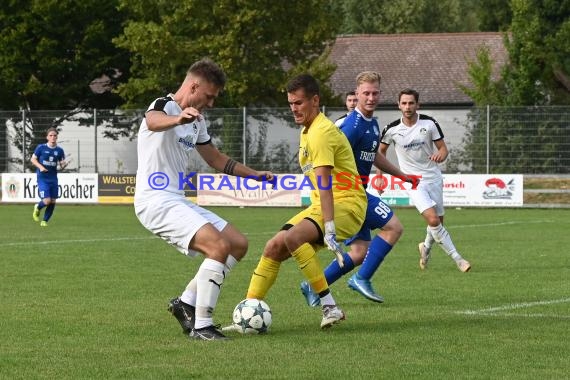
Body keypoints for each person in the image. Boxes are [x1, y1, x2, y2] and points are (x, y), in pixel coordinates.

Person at [134, 58, 274, 341]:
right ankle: (202, 326)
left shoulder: (197, 121)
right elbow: (152, 121)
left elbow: (215, 159)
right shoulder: (163, 105)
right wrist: (178, 118)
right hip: (154, 200)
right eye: (208, 96)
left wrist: (254, 174)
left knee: (237, 243)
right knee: (218, 246)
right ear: (194, 85)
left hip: (175, 199)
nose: (210, 103)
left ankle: (185, 303)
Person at [245, 74, 366, 329]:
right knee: (274, 247)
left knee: (292, 238)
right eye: (291, 103)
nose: (293, 109)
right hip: (323, 205)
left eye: (298, 103)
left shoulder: (321, 132)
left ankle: (330, 307)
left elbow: (324, 184)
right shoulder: (307, 130)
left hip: (347, 205)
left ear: (315, 100)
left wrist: (330, 227)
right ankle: (248, 312)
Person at [300, 71, 417, 306]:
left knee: (359, 252)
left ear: (380, 94)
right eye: (366, 93)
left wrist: (401, 175)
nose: (371, 97)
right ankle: (361, 278)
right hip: (348, 194)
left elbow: (372, 156)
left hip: (358, 194)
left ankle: (314, 286)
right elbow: (328, 156)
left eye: (375, 93)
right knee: (393, 227)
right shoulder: (351, 125)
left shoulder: (372, 124)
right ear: (357, 94)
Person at [381, 88, 471, 272]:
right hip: (412, 181)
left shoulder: (429, 124)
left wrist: (440, 155)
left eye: (411, 103)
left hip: (433, 177)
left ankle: (426, 248)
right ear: (398, 105)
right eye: (404, 103)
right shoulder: (391, 129)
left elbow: (443, 149)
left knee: (438, 221)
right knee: (432, 219)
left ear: (417, 105)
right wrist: (380, 176)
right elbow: (380, 153)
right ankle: (458, 259)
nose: (407, 107)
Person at [31, 127, 68, 227]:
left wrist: (64, 164)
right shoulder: (41, 148)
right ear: (47, 137)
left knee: (52, 201)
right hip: (43, 178)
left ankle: (44, 221)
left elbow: (61, 164)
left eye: (55, 135)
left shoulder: (60, 150)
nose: (53, 137)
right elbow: (33, 160)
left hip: (53, 178)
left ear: (57, 137)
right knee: (47, 200)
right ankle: (37, 207)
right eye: (51, 135)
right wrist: (41, 167)